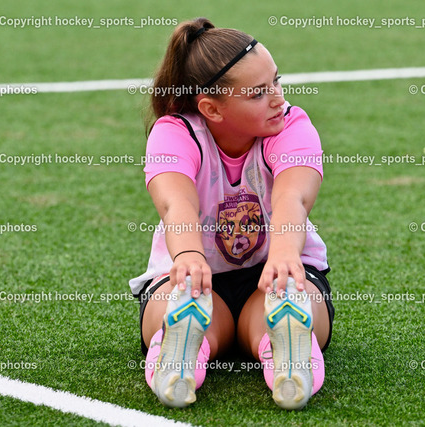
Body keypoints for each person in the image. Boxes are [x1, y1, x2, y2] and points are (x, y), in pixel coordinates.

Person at [129, 17, 334, 410]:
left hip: (275, 270)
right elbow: (177, 202)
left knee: (277, 295)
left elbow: (293, 197)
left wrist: (284, 256)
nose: (278, 97)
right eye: (259, 92)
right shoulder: (175, 132)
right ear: (212, 108)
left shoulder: (291, 124)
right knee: (198, 296)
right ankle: (284, 349)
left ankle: (189, 352)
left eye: (277, 80)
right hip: (198, 278)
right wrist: (189, 256)